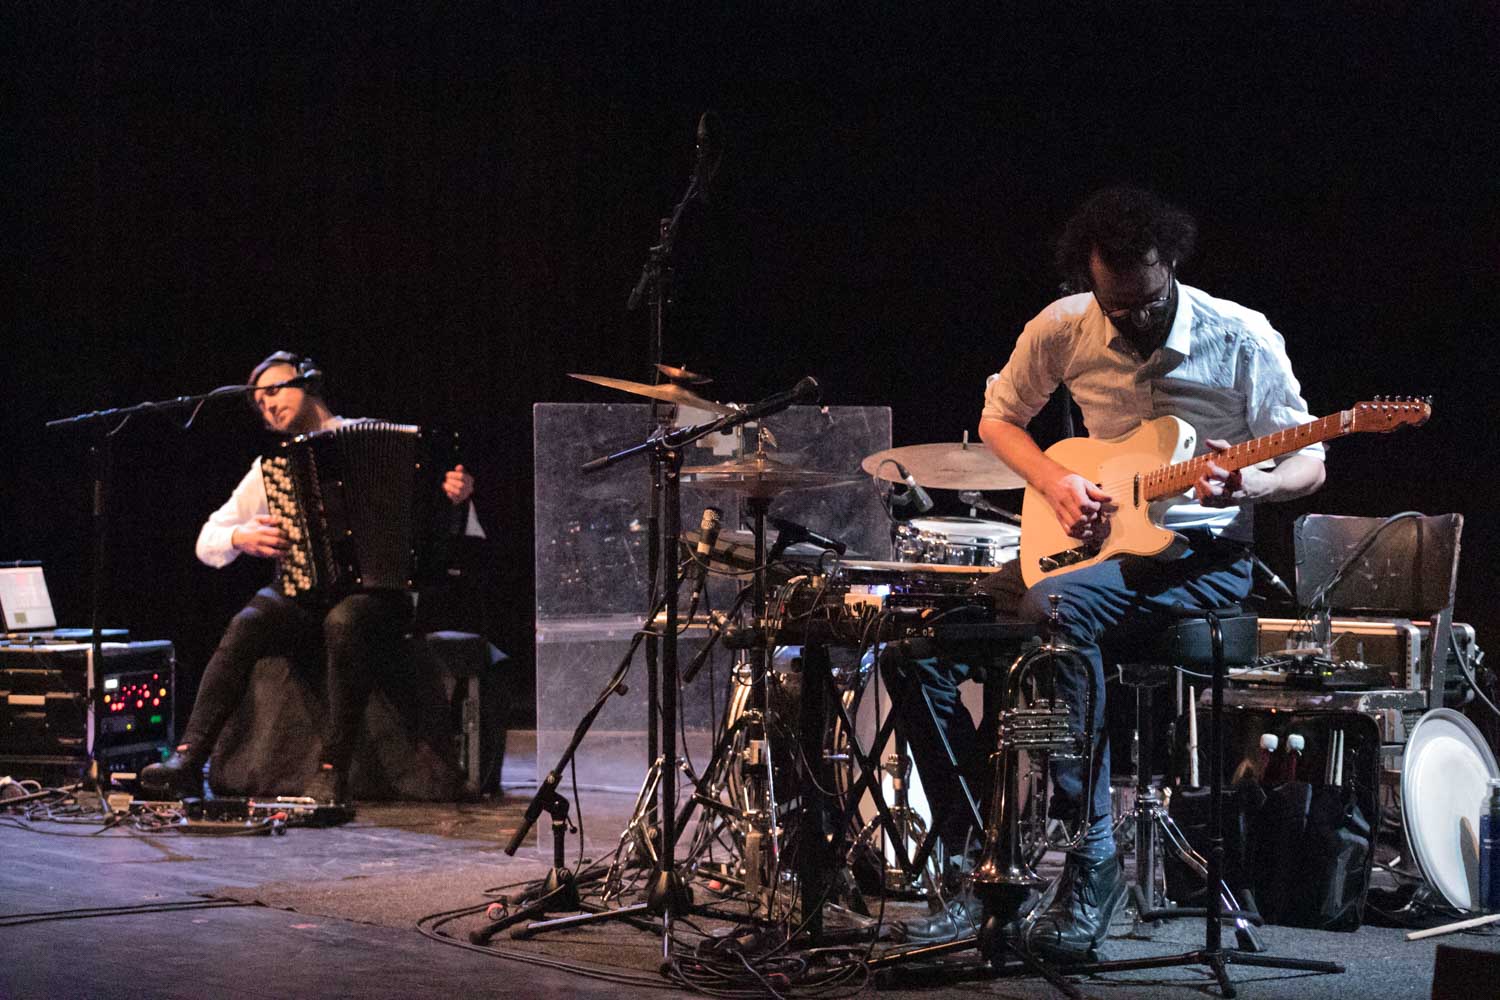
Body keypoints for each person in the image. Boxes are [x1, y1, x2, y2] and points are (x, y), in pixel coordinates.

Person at [883, 187, 1326, 958]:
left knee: (1058, 611)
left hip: (1200, 560)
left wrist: (1251, 482)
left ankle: (1093, 857)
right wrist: (1054, 483)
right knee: (912, 647)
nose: (1132, 322)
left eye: (1147, 304)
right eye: (1115, 307)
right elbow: (998, 418)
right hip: (1091, 548)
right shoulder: (1063, 327)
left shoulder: (1241, 336)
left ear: (1172, 267)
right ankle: (972, 865)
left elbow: (1309, 458)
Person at [141, 351, 477, 804]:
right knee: (249, 621)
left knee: (345, 620)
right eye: (259, 405)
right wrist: (240, 535)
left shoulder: (391, 440)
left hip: (384, 594)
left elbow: (454, 529)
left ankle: (332, 769)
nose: (268, 406)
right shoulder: (273, 469)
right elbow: (207, 539)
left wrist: (457, 498)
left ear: (309, 383)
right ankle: (189, 756)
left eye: (274, 391)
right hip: (305, 594)